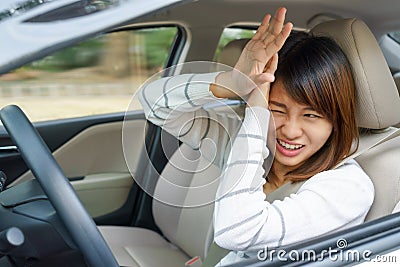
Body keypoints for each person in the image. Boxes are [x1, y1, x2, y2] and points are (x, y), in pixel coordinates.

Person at [139, 7, 374, 265]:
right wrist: (232, 83)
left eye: (311, 115)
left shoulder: (347, 186)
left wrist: (258, 115)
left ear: (336, 121)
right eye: (277, 109)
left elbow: (235, 232)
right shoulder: (240, 144)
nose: (291, 131)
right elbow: (152, 102)